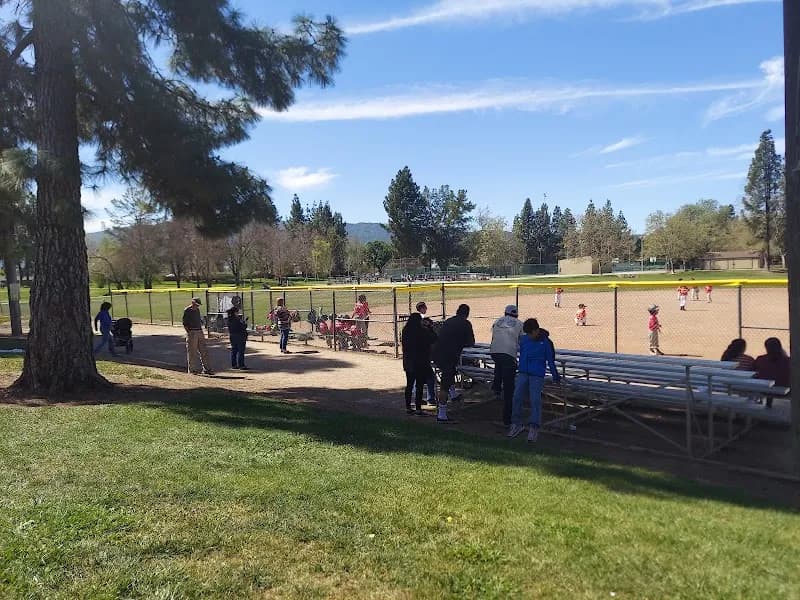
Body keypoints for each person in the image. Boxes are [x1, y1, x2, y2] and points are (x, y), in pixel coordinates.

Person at [508, 318, 560, 442]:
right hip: (523, 373)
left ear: (536, 330)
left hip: (537, 375)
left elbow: (551, 361)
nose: (530, 336)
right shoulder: (525, 339)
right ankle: (516, 423)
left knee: (535, 400)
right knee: (517, 397)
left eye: (531, 333)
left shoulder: (546, 343)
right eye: (528, 334)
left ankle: (534, 426)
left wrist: (555, 375)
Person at [431, 304, 475, 423]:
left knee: (449, 374)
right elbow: (471, 343)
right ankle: (442, 415)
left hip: (435, 353)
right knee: (445, 384)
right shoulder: (466, 323)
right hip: (448, 356)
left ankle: (454, 394)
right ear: (467, 314)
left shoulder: (449, 321)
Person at [490, 304, 523, 427]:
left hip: (494, 352)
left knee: (500, 363)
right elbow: (523, 341)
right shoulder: (519, 323)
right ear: (516, 314)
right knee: (509, 389)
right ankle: (507, 419)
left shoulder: (497, 321)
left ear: (505, 313)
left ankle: (496, 386)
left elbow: (494, 337)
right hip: (508, 355)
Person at [401, 313, 437, 415]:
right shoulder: (421, 331)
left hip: (408, 361)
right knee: (419, 386)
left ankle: (408, 407)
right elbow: (434, 338)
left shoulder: (405, 331)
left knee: (409, 385)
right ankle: (418, 408)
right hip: (420, 362)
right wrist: (430, 327)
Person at [755, 338, 791, 407]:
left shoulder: (760, 359)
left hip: (764, 388)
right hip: (785, 387)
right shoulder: (788, 361)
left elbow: (754, 371)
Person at [183, 297, 213, 375]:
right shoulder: (187, 310)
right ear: (192, 303)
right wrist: (189, 332)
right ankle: (192, 370)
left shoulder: (197, 310)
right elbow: (185, 323)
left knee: (204, 350)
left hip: (199, 331)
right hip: (192, 331)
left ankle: (207, 369)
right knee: (192, 352)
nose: (197, 307)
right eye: (196, 305)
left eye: (198, 305)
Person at [227, 306, 249, 370]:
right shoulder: (236, 319)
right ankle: (241, 365)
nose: (238, 313)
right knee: (241, 351)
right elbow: (242, 327)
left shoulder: (229, 319)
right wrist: (244, 324)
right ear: (235, 312)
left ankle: (234, 365)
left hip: (232, 336)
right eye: (237, 312)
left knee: (234, 350)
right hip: (239, 336)